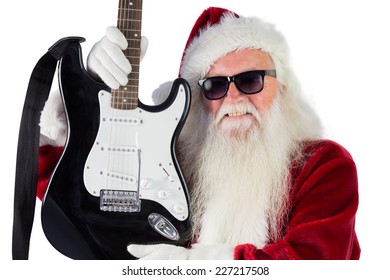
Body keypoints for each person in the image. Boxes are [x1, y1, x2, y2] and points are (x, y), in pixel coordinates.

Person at [37, 7, 360, 259]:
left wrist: (194, 265)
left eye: (251, 80)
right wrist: (84, 96)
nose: (234, 99)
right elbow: (61, 191)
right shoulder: (171, 163)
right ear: (197, 99)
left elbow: (319, 259)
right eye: (215, 85)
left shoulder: (322, 164)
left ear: (283, 88)